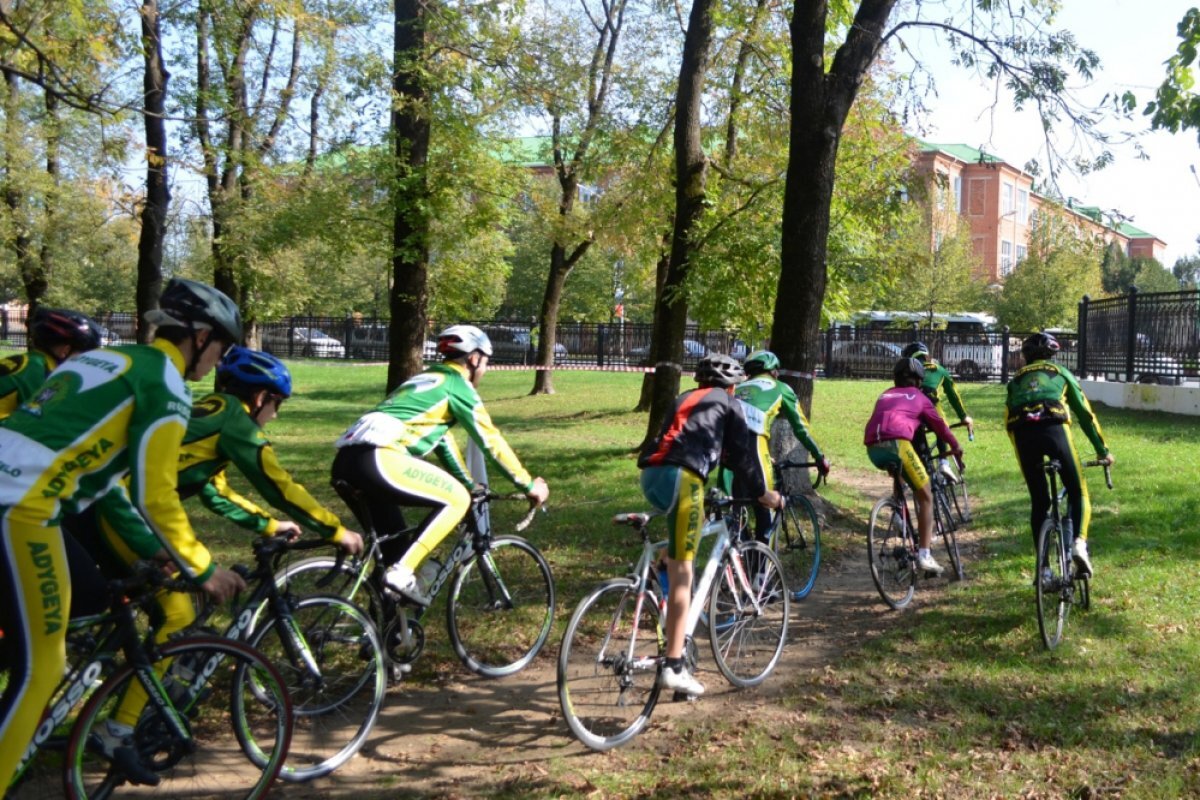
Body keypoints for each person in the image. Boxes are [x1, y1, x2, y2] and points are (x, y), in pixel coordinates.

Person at [71, 347, 365, 776]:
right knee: (179, 612)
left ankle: (114, 668)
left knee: (158, 596)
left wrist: (267, 526)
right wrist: (336, 531)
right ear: (262, 398)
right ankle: (118, 727)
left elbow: (213, 489)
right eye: (277, 406)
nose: (276, 418)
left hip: (100, 502)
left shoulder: (210, 413)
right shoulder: (235, 422)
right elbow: (278, 483)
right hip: (122, 510)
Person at [0, 278, 244, 789]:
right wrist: (201, 567)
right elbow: (155, 494)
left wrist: (158, 550)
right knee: (41, 668)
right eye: (222, 346)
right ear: (200, 337)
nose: (219, 361)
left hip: (21, 495)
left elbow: (93, 468)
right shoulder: (166, 385)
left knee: (73, 607)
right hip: (21, 508)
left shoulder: (107, 360)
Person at [332, 324, 549, 606]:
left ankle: (385, 636)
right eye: (486, 362)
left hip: (346, 462)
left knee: (396, 548)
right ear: (474, 358)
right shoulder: (458, 386)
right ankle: (402, 574)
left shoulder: (424, 380)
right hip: (380, 457)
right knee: (456, 499)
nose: (485, 369)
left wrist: (471, 484)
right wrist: (528, 484)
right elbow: (490, 439)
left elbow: (443, 441)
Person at [639, 353, 784, 697]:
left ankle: (659, 579)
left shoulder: (683, 399)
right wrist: (764, 495)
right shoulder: (730, 404)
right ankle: (674, 666)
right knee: (683, 572)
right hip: (683, 478)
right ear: (732, 385)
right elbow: (742, 458)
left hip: (651, 476)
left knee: (676, 550)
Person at [1004, 332, 1113, 579]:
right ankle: (1078, 544)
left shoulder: (1015, 380)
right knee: (1077, 491)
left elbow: (1007, 420)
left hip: (1021, 434)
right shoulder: (1061, 372)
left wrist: (1020, 453)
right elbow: (1085, 413)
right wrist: (1102, 451)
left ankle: (1043, 569)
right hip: (1054, 429)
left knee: (1040, 502)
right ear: (1052, 353)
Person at [864, 357, 964, 575]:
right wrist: (956, 447)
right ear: (919, 380)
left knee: (901, 480)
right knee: (926, 496)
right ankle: (924, 555)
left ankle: (900, 516)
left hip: (872, 447)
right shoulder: (920, 397)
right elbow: (940, 428)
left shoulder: (885, 394)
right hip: (897, 443)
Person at [732, 349, 830, 539]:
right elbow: (801, 429)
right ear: (773, 370)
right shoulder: (781, 388)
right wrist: (819, 457)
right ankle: (762, 566)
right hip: (754, 443)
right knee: (766, 505)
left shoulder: (737, 388)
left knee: (736, 509)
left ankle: (735, 558)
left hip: (726, 445)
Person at [0, 307, 103, 418]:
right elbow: (43, 418)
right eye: (83, 354)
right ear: (65, 350)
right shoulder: (40, 371)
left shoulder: (26, 361)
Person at [902, 341, 974, 483]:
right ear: (926, 355)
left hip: (910, 412)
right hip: (931, 407)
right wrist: (963, 416)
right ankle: (943, 463)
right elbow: (953, 395)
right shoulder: (939, 370)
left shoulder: (905, 373)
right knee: (941, 425)